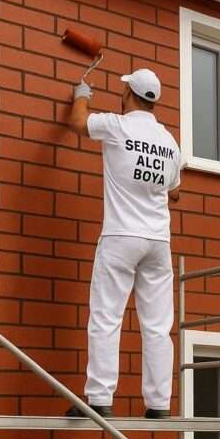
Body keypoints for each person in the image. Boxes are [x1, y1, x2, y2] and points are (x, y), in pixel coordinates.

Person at [66, 68, 182, 419]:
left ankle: (99, 398)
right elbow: (174, 192)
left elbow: (79, 123)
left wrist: (81, 93)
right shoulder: (170, 142)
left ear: (128, 93)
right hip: (158, 242)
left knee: (106, 317)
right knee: (158, 326)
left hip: (121, 236)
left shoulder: (117, 126)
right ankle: (159, 405)